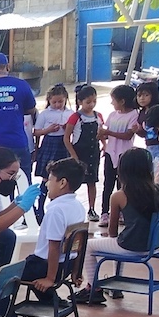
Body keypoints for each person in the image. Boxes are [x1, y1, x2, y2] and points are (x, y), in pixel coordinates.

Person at [0, 158, 88, 317]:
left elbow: (54, 247)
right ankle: (54, 304)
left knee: (1, 279)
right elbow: (80, 242)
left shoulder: (55, 210)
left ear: (62, 183)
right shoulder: (78, 206)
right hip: (67, 265)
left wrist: (50, 278)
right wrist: (76, 271)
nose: (46, 184)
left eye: (50, 180)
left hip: (46, 265)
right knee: (30, 270)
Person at [76, 147, 159, 305]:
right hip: (153, 246)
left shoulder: (119, 195)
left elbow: (112, 233)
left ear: (123, 170)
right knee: (121, 240)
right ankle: (115, 288)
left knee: (88, 246)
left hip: (131, 246)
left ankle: (93, 287)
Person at [97, 84, 141, 225]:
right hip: (111, 152)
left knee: (123, 183)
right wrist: (102, 135)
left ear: (122, 101)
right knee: (107, 183)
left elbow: (128, 135)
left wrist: (108, 133)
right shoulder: (113, 115)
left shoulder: (134, 115)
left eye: (114, 100)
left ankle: (122, 211)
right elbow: (106, 132)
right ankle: (105, 212)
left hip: (124, 154)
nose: (112, 103)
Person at [32, 84, 73, 223]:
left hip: (64, 144)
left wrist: (67, 128)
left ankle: (58, 207)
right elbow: (36, 131)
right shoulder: (45, 114)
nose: (57, 104)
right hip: (50, 143)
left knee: (63, 177)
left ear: (66, 99)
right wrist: (48, 130)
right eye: (54, 102)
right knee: (46, 177)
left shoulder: (69, 113)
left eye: (60, 101)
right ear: (49, 100)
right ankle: (40, 207)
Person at [63, 84, 103, 223]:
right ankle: (70, 209)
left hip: (94, 152)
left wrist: (105, 145)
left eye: (94, 101)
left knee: (92, 181)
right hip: (79, 153)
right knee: (73, 183)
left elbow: (101, 134)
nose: (91, 105)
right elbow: (66, 138)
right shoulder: (75, 117)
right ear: (80, 102)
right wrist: (74, 156)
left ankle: (92, 209)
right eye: (88, 102)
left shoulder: (98, 116)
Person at [137, 81, 159, 170]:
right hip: (149, 146)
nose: (142, 98)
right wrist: (138, 131)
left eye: (146, 95)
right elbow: (145, 132)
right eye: (139, 96)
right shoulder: (142, 112)